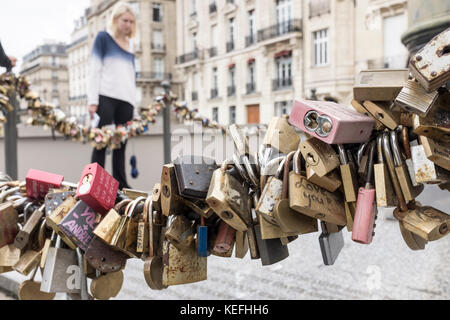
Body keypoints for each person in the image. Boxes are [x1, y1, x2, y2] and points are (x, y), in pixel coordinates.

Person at [87, 1, 137, 189]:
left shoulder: (131, 45)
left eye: (132, 22)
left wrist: (135, 106)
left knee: (120, 144)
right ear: (115, 20)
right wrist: (93, 101)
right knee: (101, 142)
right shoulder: (103, 38)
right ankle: (93, 184)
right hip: (105, 97)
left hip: (126, 102)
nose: (128, 25)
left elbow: (131, 76)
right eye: (125, 20)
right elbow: (94, 70)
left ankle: (121, 185)